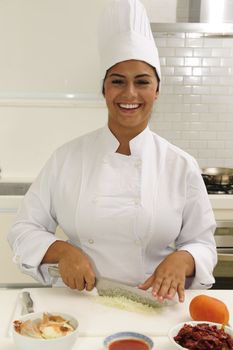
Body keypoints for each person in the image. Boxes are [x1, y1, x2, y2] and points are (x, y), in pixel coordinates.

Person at [8, 0, 217, 303]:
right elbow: (23, 229)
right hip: (79, 304)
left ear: (156, 90)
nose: (129, 93)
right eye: (117, 81)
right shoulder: (67, 158)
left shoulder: (179, 165)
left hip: (154, 304)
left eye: (142, 82)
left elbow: (203, 243)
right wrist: (63, 251)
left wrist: (183, 259)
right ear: (104, 90)